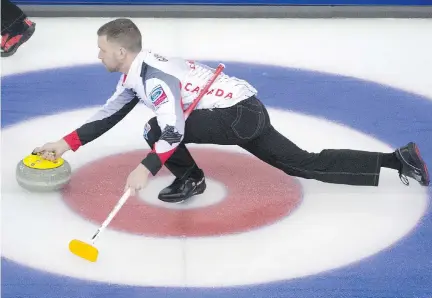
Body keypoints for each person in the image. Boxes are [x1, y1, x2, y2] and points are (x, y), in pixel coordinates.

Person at [33, 18, 430, 203]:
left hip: (237, 115)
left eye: (101, 48)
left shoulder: (154, 79)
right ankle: (398, 160)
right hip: (246, 111)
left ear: (120, 51)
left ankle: (190, 180)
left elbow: (171, 131)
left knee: (157, 128)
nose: (97, 54)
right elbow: (109, 113)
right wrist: (65, 143)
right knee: (301, 163)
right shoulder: (134, 75)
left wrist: (147, 168)